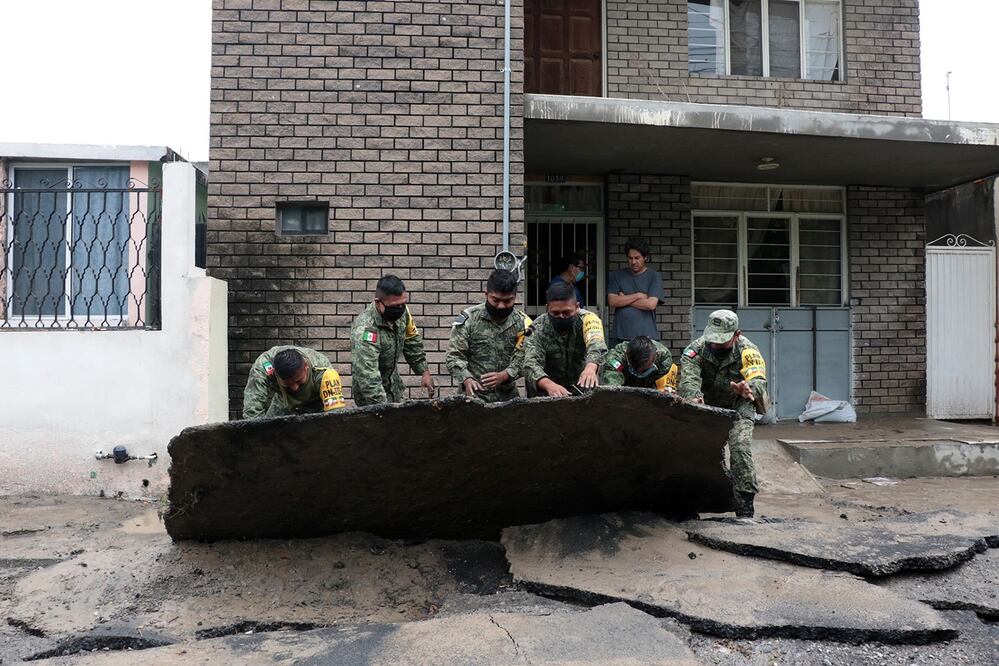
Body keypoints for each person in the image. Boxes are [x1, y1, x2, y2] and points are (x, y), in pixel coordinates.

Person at [679, 309, 769, 519]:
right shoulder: (695, 350)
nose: (715, 345)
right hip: (705, 405)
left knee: (740, 447)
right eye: (713, 339)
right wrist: (693, 398)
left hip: (739, 404)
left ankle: (745, 503)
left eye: (722, 341)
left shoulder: (748, 350)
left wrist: (749, 389)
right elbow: (689, 380)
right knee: (694, 448)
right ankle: (690, 502)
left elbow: (758, 380)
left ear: (737, 335)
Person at [446, 269, 532, 403]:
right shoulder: (469, 319)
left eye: (507, 301)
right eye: (496, 300)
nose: (501, 306)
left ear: (515, 297)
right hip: (473, 397)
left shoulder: (523, 323)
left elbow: (527, 358)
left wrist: (505, 375)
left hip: (508, 399)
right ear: (486, 294)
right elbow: (454, 356)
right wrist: (466, 378)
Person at [350, 275, 435, 406]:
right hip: (371, 398)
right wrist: (384, 409)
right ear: (378, 302)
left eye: (403, 304)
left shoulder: (403, 312)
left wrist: (424, 371)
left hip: (394, 389)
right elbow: (367, 376)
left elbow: (411, 341)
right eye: (395, 306)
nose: (400, 309)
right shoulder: (366, 329)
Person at [524, 281, 608, 397]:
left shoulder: (588, 320)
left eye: (567, 312)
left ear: (577, 307)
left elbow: (596, 344)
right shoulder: (536, 329)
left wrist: (590, 367)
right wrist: (549, 385)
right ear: (547, 308)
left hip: (580, 391)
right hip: (547, 394)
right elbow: (530, 364)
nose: (561, 317)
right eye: (555, 313)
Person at [242, 346, 345, 418]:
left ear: (306, 366)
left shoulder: (324, 371)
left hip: (316, 402)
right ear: (274, 373)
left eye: (299, 381)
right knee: (269, 432)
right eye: (288, 384)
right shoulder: (263, 368)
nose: (294, 387)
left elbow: (336, 416)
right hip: (284, 400)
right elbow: (252, 410)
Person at [607, 239, 664, 348]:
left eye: (637, 258)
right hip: (620, 335)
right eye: (630, 258)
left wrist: (624, 299)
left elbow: (650, 304)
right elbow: (612, 301)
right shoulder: (617, 275)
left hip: (646, 336)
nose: (633, 262)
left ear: (645, 258)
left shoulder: (654, 276)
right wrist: (638, 295)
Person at [601, 335, 678, 392]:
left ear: (655, 357)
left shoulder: (664, 357)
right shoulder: (615, 358)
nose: (641, 372)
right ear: (627, 356)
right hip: (625, 386)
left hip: (650, 388)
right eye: (638, 370)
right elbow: (612, 388)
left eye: (645, 369)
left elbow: (664, 389)